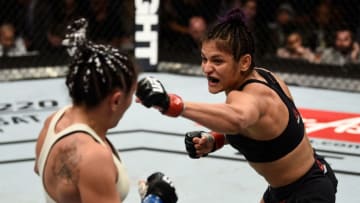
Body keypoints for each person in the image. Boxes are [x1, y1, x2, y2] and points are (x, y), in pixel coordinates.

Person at [136, 8, 338, 203]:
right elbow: (256, 128)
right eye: (204, 59)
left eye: (217, 61)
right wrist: (215, 139)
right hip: (294, 184)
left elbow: (238, 118)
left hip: (308, 193)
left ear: (244, 62)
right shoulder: (265, 76)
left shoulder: (253, 96)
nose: (207, 68)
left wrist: (169, 104)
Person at [33, 18, 177, 203]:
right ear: (116, 100)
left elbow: (41, 170)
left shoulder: (54, 121)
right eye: (130, 94)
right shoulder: (93, 157)